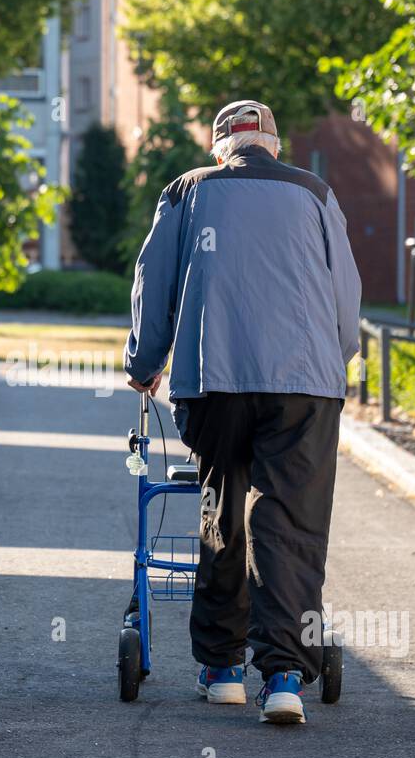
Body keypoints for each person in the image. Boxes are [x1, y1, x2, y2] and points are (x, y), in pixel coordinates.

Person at [124, 100, 361, 724]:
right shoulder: (316, 194)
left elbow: (155, 282)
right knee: (290, 524)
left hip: (214, 381)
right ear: (274, 146)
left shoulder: (188, 191)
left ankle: (223, 667)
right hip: (304, 386)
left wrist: (144, 364)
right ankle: (283, 676)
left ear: (219, 148)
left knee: (221, 512)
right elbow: (345, 300)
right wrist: (332, 365)